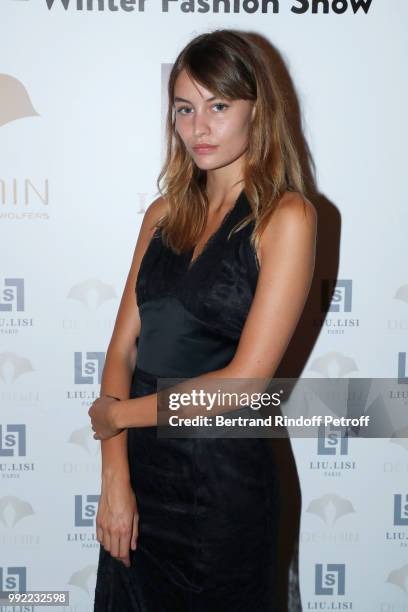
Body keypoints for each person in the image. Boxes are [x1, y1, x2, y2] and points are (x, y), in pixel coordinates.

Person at [89, 28, 316, 611]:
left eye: (219, 106)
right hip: (141, 482)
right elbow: (121, 352)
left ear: (257, 110)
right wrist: (114, 477)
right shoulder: (163, 214)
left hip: (224, 491)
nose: (199, 127)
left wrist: (118, 417)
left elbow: (246, 384)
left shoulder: (286, 218)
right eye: (185, 109)